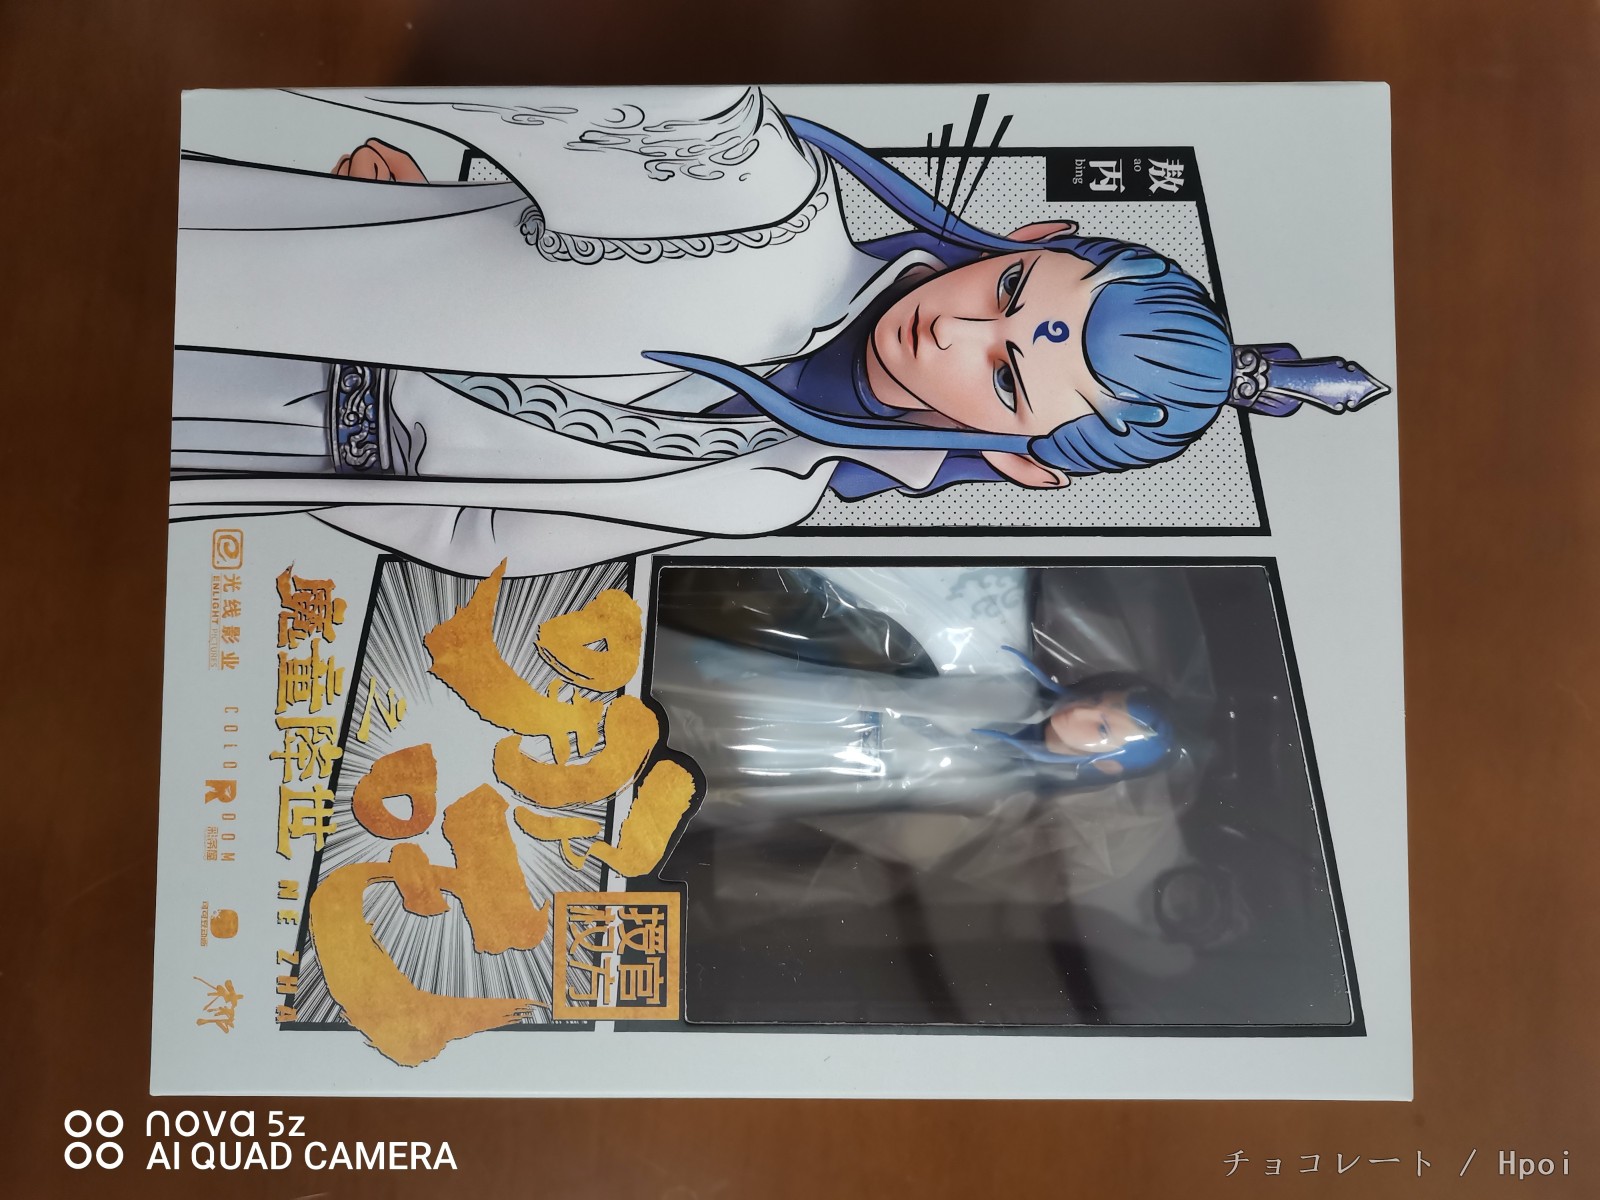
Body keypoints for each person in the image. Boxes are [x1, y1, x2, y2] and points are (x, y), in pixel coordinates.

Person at [171, 87, 1387, 574]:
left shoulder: (763, 492)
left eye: (1009, 377)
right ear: (1032, 234)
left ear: (1021, 461)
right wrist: (412, 233)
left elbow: (474, 535)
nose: (957, 329)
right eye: (1012, 291)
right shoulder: (761, 202)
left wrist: (305, 469)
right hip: (201, 270)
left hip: (221, 456)